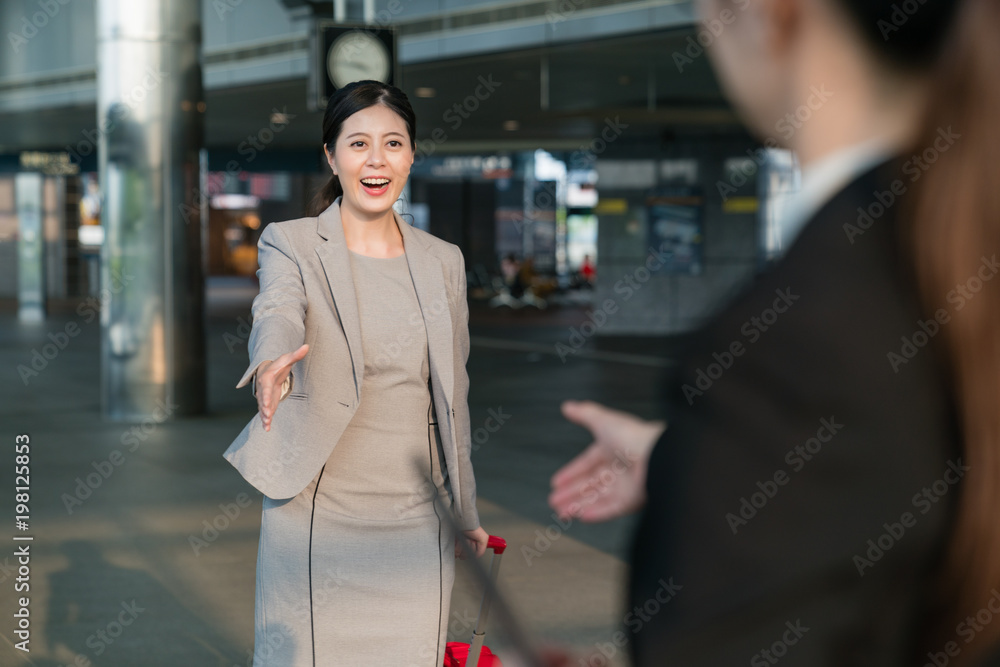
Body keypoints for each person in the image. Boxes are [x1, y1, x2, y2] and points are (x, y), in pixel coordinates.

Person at [549, 0, 1000, 665]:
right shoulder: (950, 254)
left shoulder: (793, 348)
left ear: (770, 11)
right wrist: (688, 456)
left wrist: (746, 443)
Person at [223, 79, 489, 666]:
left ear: (412, 155)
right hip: (320, 508)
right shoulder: (291, 242)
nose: (376, 160)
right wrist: (272, 363)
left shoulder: (442, 259)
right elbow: (277, 312)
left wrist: (465, 510)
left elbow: (452, 396)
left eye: (393, 144)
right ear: (331, 155)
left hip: (418, 516)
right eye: (358, 143)